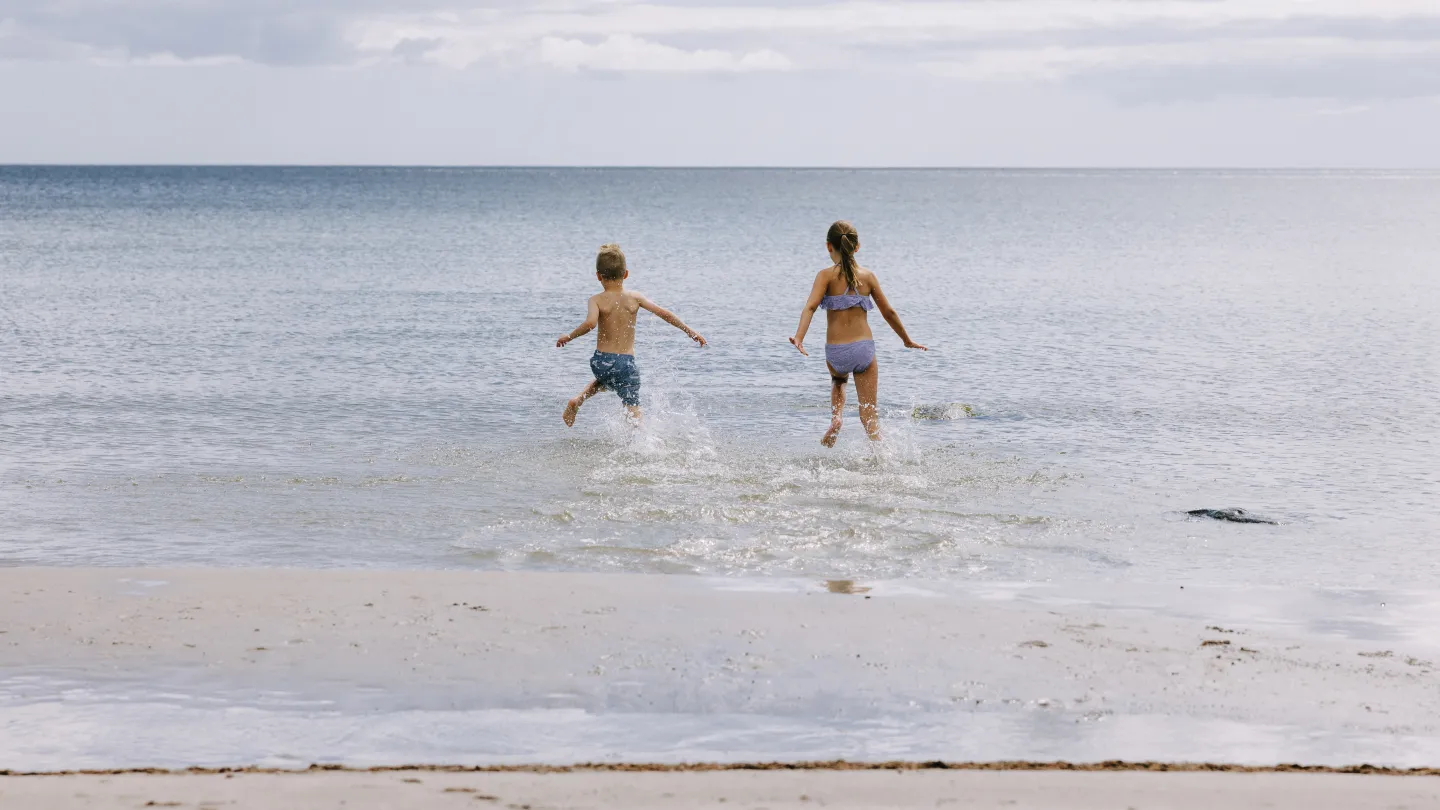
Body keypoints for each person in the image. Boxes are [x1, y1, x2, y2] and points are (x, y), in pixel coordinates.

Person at [789, 221, 926, 446]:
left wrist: (799, 337)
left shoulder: (825, 276)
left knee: (838, 380)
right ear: (857, 247)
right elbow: (889, 312)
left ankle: (836, 418)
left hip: (836, 351)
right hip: (863, 350)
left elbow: (810, 307)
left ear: (828, 246)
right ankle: (882, 457)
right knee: (869, 417)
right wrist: (907, 340)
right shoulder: (868, 276)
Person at [557, 243, 706, 426]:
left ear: (598, 276)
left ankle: (578, 399)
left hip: (600, 361)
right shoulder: (634, 298)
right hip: (625, 363)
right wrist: (690, 331)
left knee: (605, 379)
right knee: (633, 406)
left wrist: (569, 337)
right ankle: (640, 444)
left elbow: (590, 324)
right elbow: (664, 313)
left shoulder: (596, 300)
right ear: (626, 274)